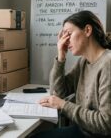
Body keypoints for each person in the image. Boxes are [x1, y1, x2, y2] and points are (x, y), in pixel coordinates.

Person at [32, 10, 111, 138]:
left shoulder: (108, 64)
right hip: (83, 130)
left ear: (87, 30)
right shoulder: (83, 62)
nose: (65, 41)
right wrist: (61, 57)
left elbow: (106, 123)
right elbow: (58, 92)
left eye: (68, 34)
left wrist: (63, 105)